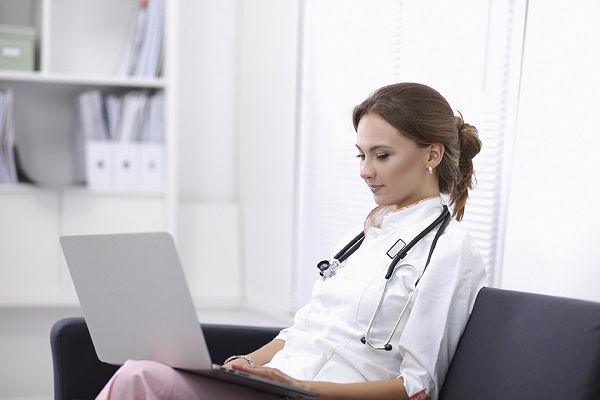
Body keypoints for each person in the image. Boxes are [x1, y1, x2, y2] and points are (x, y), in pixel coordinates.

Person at [96, 82, 487, 400]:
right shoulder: (362, 236)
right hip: (276, 387)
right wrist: (247, 364)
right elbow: (303, 333)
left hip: (314, 395)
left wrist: (303, 388)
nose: (366, 171)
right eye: (361, 156)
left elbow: (416, 388)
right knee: (139, 376)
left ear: (432, 154)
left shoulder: (451, 252)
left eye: (381, 155)